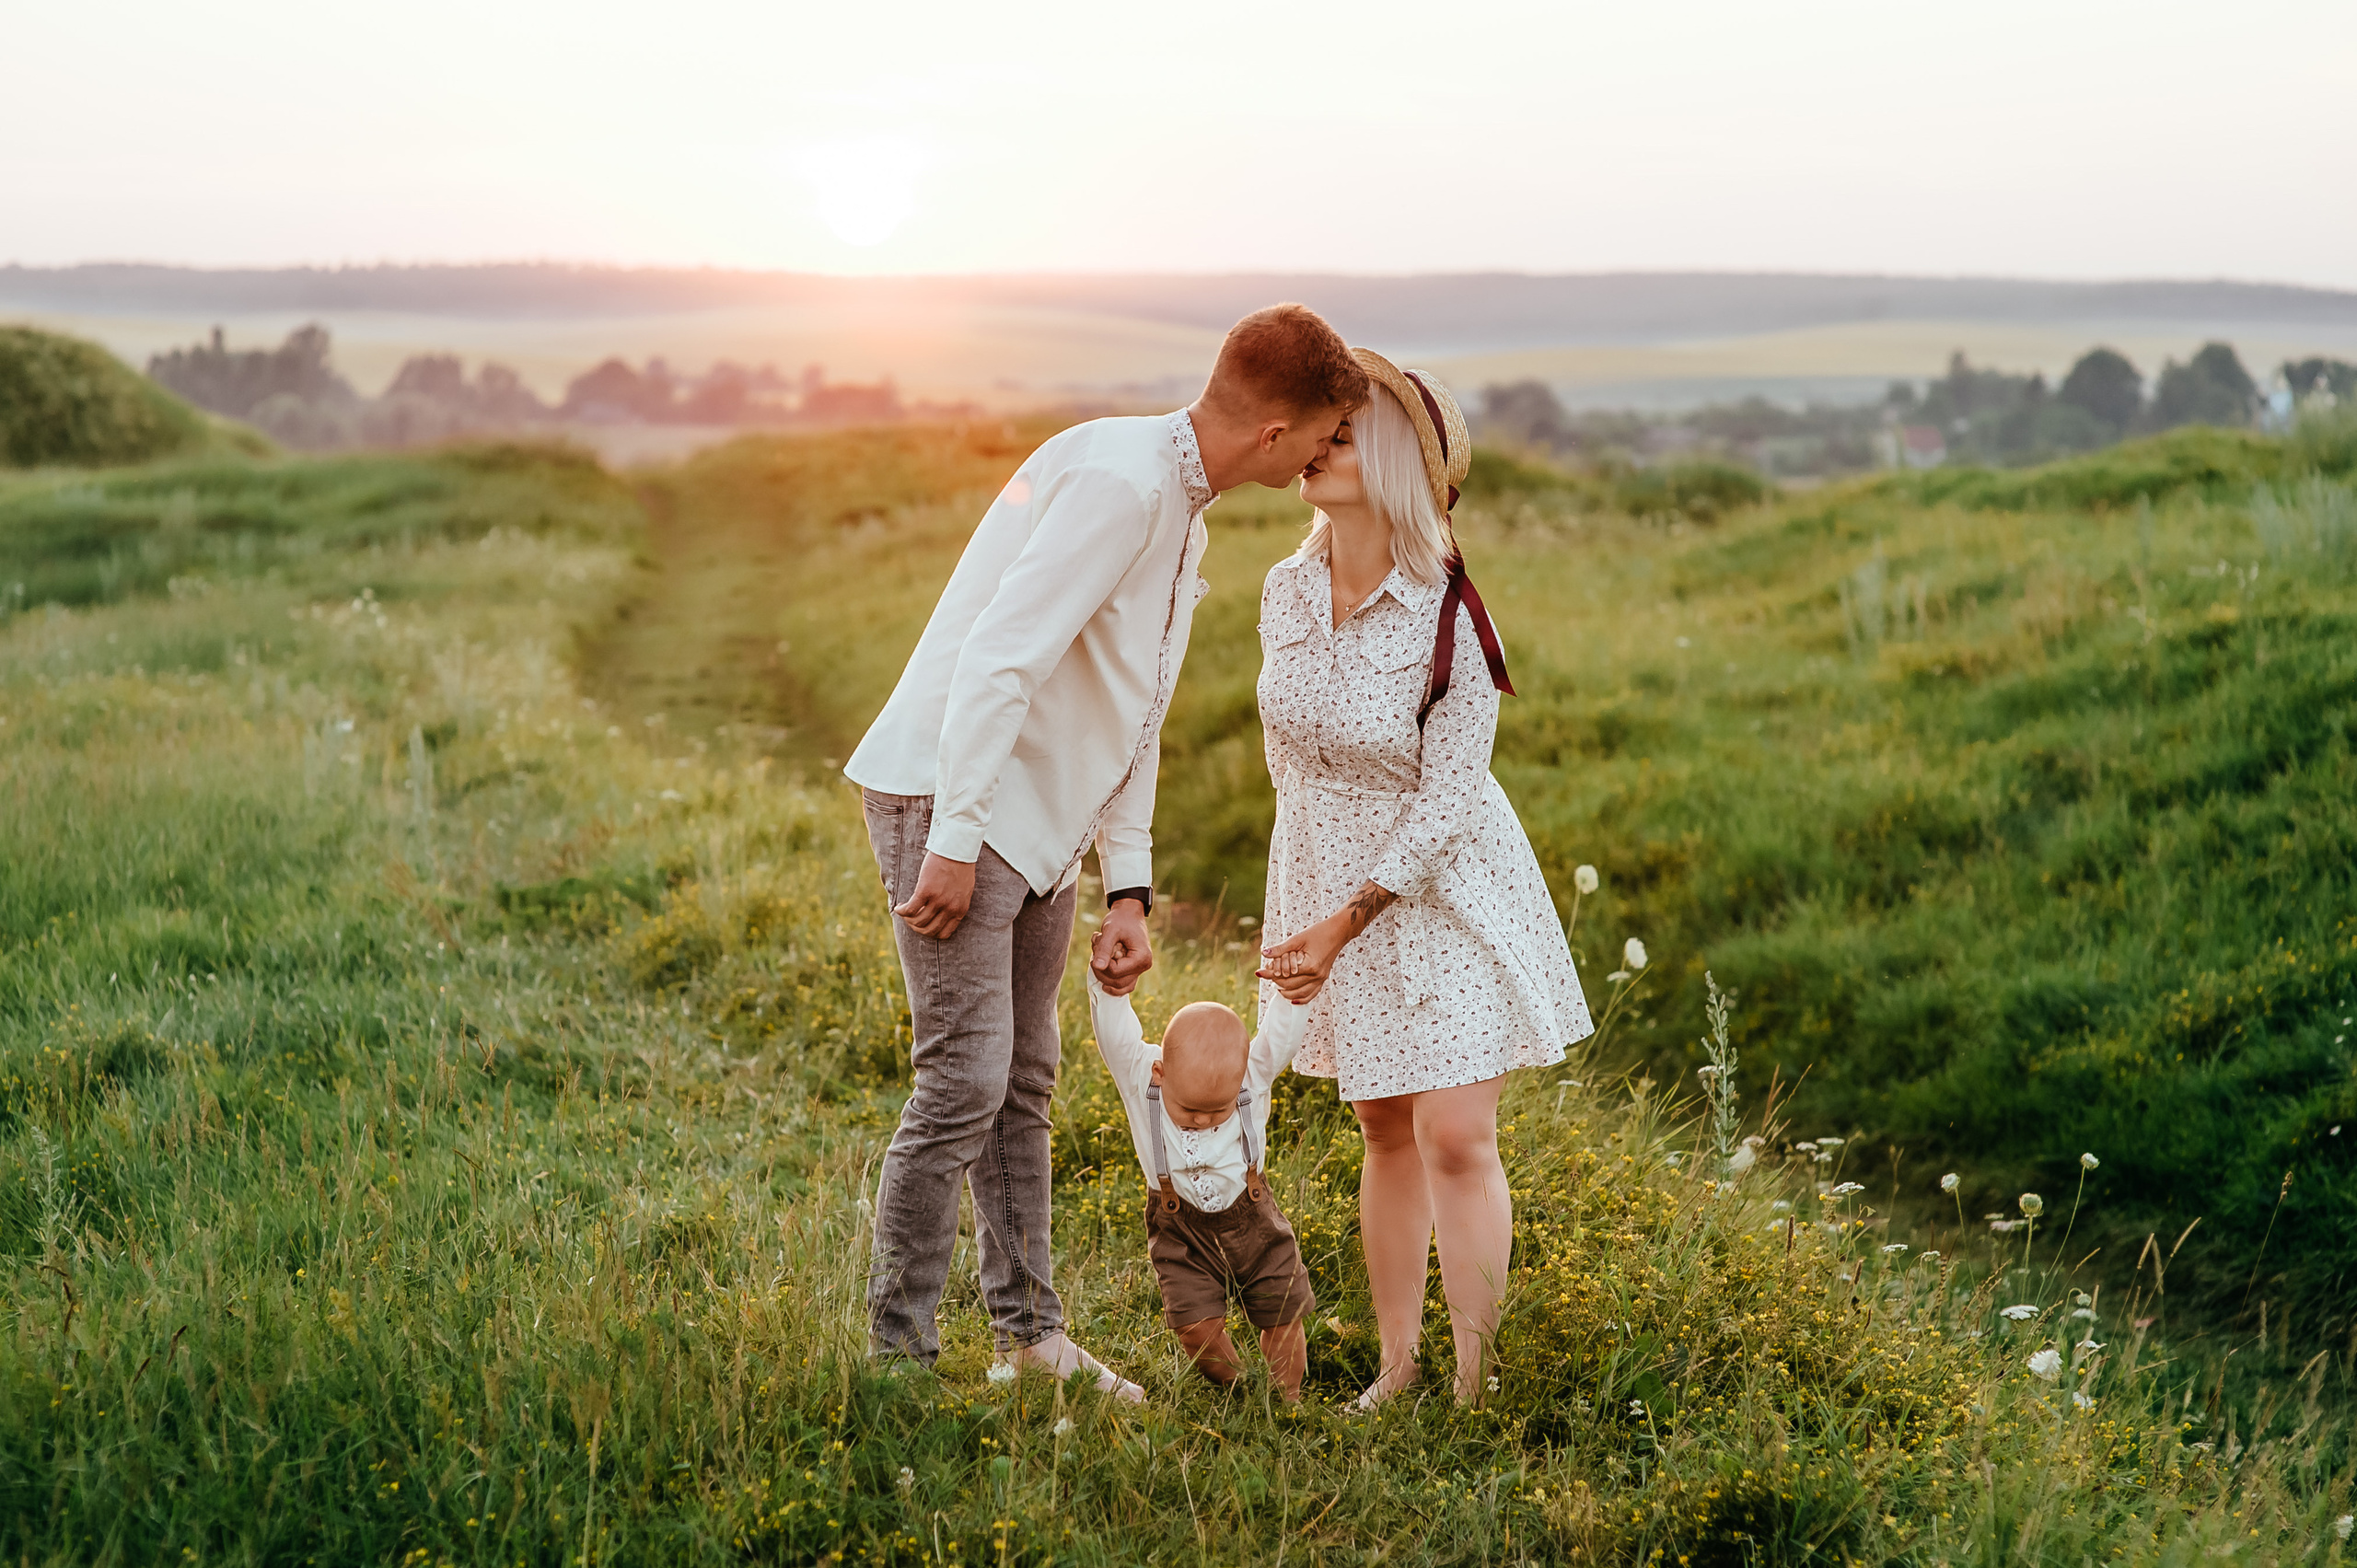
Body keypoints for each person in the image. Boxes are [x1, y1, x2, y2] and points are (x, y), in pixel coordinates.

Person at [844, 305, 1370, 1395]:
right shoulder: (1125, 483)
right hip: (955, 798)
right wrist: (951, 838)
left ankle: (1030, 1339)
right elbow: (998, 659)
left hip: (1038, 822)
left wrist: (1125, 886)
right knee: (963, 1083)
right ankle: (895, 1361)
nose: (1327, 454)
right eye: (1322, 433)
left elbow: (1135, 714)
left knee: (1024, 1080)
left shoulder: (1185, 510)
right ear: (1274, 433)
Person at [1256, 351, 1594, 1408]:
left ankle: (1472, 1380)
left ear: (1399, 461)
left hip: (1444, 884)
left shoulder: (1447, 606)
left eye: (1342, 435)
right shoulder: (1284, 588)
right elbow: (1289, 756)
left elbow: (1448, 796)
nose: (1315, 447)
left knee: (1455, 1130)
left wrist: (1351, 913)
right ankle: (1398, 1367)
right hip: (1331, 878)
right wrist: (1308, 895)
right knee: (1381, 1125)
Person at [1085, 976, 1314, 1400]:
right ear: (1160, 1073)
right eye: (1189, 1109)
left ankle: (1287, 1399)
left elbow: (1280, 1038)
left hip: (1254, 1223)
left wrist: (1293, 995)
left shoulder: (1250, 1076)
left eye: (1219, 1112)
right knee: (1194, 1327)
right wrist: (1110, 988)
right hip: (1180, 1232)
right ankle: (1239, 1388)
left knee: (1283, 1315)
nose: (1203, 1121)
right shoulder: (1142, 1080)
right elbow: (1116, 1037)